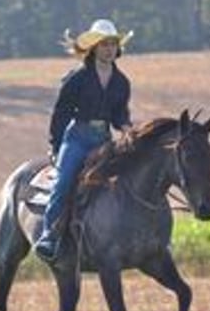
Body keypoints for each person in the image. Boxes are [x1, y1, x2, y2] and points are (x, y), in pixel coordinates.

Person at [34, 18, 135, 261]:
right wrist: (56, 146)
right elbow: (62, 113)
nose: (109, 49)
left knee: (128, 179)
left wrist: (127, 128)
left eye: (112, 44)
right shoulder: (77, 78)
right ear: (94, 48)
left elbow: (120, 113)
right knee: (64, 181)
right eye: (104, 45)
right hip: (77, 138)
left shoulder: (122, 83)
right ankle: (49, 234)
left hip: (104, 140)